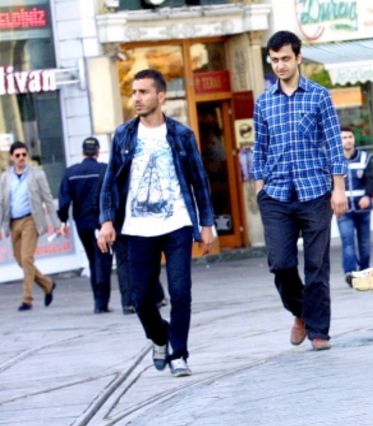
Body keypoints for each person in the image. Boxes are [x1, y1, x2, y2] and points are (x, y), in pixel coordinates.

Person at [98, 69, 216, 377]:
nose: (136, 98)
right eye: (134, 92)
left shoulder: (181, 135)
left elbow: (199, 181)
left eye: (143, 92)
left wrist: (206, 224)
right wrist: (106, 221)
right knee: (141, 299)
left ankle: (179, 353)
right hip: (136, 229)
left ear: (160, 96)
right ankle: (160, 337)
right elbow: (110, 182)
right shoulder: (124, 134)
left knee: (180, 291)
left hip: (176, 224)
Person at [252, 30, 347, 352]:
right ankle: (300, 312)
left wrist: (339, 190)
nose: (280, 65)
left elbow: (335, 144)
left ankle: (319, 331)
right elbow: (259, 148)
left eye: (285, 59)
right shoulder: (264, 102)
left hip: (315, 192)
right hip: (276, 194)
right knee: (280, 263)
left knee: (317, 266)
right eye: (275, 60)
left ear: (298, 58)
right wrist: (259, 187)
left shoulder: (319, 96)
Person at [57, 137, 113, 313]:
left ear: (83, 152)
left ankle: (97, 299)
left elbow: (64, 200)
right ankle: (101, 302)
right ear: (97, 152)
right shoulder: (104, 170)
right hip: (100, 222)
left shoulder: (71, 172)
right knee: (103, 260)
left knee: (92, 260)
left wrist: (63, 220)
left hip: (82, 223)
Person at [0, 141, 57, 311]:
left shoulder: (36, 174)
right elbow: (2, 202)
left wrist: (57, 223)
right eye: (17, 155)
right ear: (12, 157)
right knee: (20, 260)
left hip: (30, 220)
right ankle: (47, 284)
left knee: (26, 258)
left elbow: (47, 198)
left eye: (24, 155)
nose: (21, 158)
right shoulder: (5, 177)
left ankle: (27, 299)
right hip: (13, 222)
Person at [337, 126, 373, 279]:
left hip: (362, 208)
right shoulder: (335, 160)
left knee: (364, 243)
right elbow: (330, 184)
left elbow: (370, 180)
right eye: (344, 137)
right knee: (347, 242)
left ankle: (364, 270)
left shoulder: (364, 157)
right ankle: (350, 273)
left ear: (354, 139)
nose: (348, 140)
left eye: (350, 137)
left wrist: (367, 196)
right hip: (343, 210)